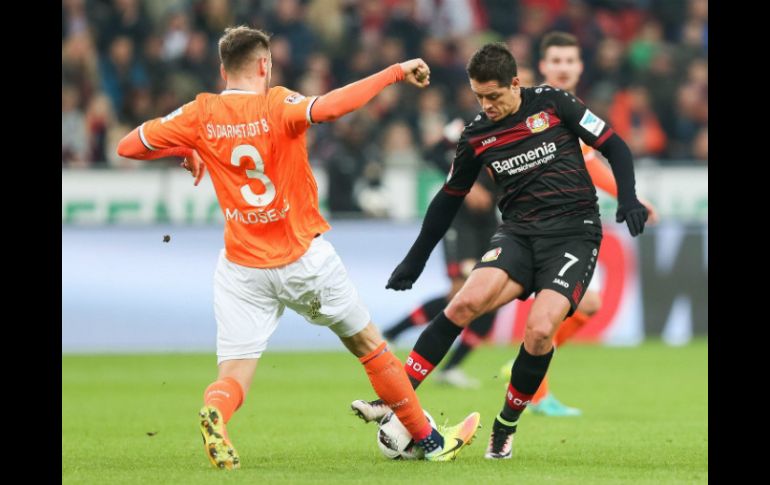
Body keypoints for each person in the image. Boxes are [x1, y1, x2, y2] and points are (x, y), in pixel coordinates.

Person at [116, 25, 480, 469]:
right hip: (301, 259)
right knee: (369, 345)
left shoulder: (200, 112)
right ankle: (430, 441)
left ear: (223, 70)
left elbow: (128, 146)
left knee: (234, 371)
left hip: (241, 268)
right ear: (264, 65)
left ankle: (217, 413)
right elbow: (332, 106)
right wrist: (395, 72)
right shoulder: (277, 103)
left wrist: (182, 148)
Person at [352, 42, 648, 460]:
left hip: (573, 235)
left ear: (515, 83)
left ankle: (504, 427)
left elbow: (614, 145)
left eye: (493, 95)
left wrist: (629, 198)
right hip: (518, 234)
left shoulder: (554, 102)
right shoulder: (476, 135)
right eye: (479, 97)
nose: (486, 105)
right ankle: (394, 399)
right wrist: (415, 259)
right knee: (463, 302)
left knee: (540, 331)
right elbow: (448, 199)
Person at [516, 31, 660, 416]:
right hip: (535, 224)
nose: (563, 68)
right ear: (543, 66)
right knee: (551, 308)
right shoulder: (531, 107)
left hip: (570, 225)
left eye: (569, 61)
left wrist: (630, 197)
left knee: (588, 304)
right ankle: (534, 389)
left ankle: (530, 368)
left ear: (580, 67)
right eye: (556, 61)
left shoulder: (572, 108)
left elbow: (591, 163)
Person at [380, 117, 499, 390]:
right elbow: (432, 153)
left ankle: (451, 368)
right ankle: (391, 333)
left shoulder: (519, 124)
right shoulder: (469, 124)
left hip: (489, 226)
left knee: (492, 298)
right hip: (461, 223)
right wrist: (467, 184)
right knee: (458, 292)